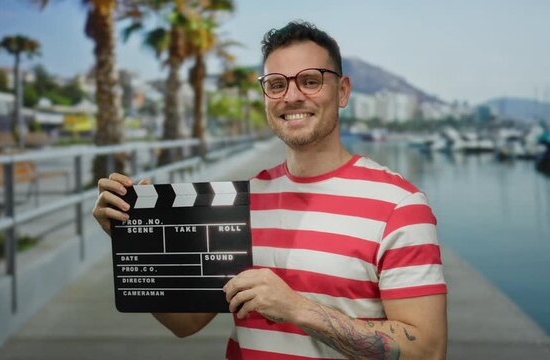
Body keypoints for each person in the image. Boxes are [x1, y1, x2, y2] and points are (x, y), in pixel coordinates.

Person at [93, 21, 447, 360]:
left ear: (342, 91)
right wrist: (133, 239)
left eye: (310, 81)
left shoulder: (399, 207)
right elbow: (187, 323)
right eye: (276, 84)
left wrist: (297, 309)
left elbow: (428, 351)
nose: (291, 96)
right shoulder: (239, 202)